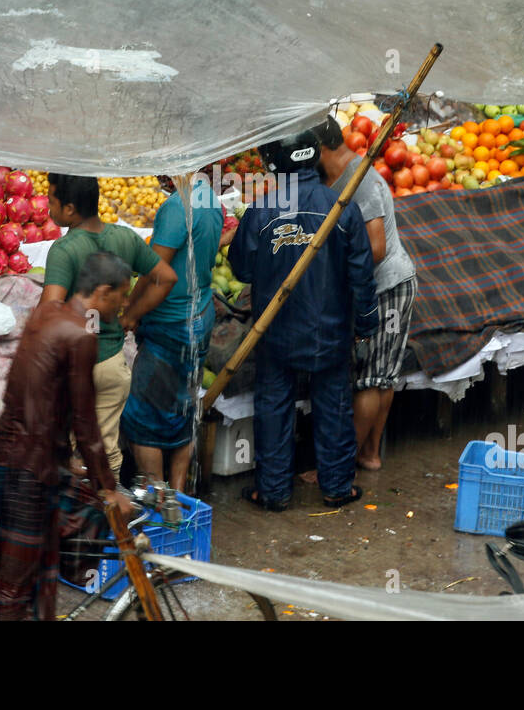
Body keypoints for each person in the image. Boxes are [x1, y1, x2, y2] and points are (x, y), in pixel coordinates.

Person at [228, 130, 379, 510]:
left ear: (274, 164)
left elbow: (242, 270)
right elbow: (361, 274)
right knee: (334, 407)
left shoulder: (262, 211)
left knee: (274, 408)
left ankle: (274, 491)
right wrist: (367, 324)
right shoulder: (340, 206)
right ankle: (337, 487)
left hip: (275, 333)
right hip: (330, 333)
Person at [0, 251, 136, 621]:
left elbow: (51, 398)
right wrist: (108, 486)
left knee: (38, 567)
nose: (124, 303)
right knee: (16, 585)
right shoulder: (81, 333)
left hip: (15, 454)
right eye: (121, 295)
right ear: (102, 292)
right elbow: (86, 422)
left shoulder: (49, 312)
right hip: (27, 465)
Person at [40, 173, 178, 480]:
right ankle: (108, 516)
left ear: (70, 209)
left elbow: (49, 308)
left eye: (52, 201)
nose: (48, 207)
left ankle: (79, 518)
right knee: (104, 449)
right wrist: (132, 315)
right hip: (111, 364)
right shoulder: (125, 238)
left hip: (75, 366)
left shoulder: (64, 250)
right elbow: (166, 277)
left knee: (67, 452)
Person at [314, 116, 418, 471]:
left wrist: (330, 275)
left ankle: (341, 466)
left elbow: (374, 248)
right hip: (379, 285)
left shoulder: (363, 181)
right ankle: (369, 454)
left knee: (370, 380)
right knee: (382, 375)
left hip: (386, 287)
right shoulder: (332, 174)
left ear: (321, 147)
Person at [120, 174, 224, 492]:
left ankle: (159, 496)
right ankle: (179, 494)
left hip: (172, 322)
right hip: (200, 313)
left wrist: (131, 314)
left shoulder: (176, 208)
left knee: (143, 417)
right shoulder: (210, 198)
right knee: (183, 407)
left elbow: (157, 274)